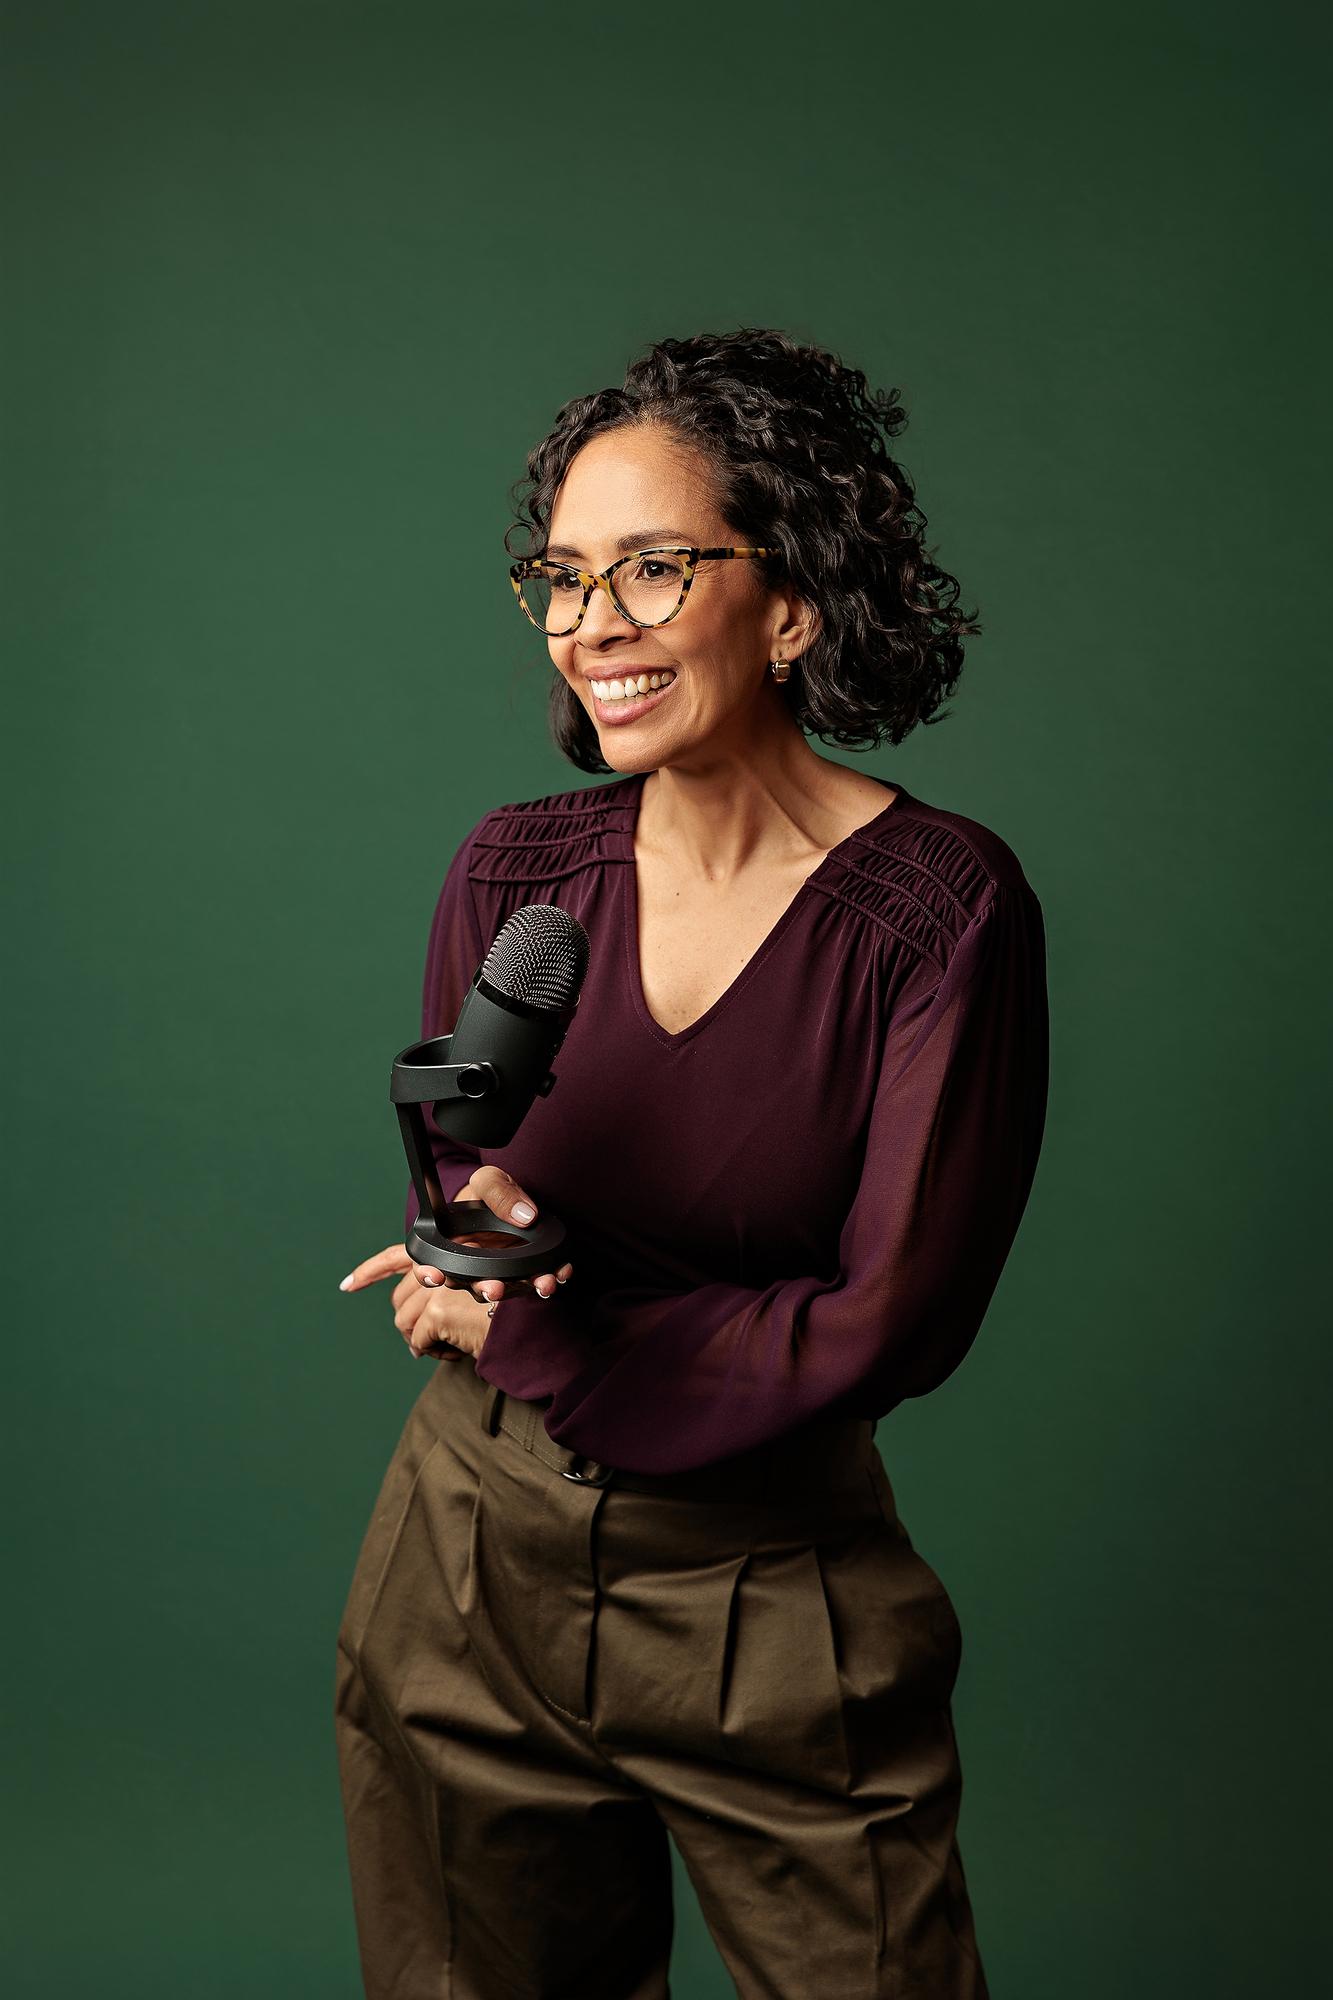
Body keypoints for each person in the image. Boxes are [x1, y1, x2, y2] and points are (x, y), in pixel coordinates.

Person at [333, 326, 1049, 1998]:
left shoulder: (934, 911)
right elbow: (465, 1160)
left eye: (652, 568)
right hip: (461, 1563)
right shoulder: (517, 868)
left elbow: (891, 1318)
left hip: (766, 1591)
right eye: (563, 579)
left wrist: (538, 1332)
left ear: (792, 600)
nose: (594, 625)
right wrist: (475, 1228)